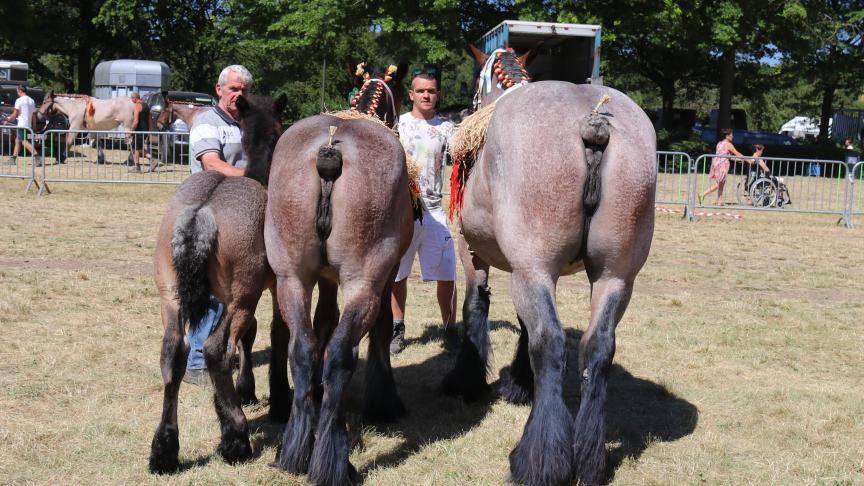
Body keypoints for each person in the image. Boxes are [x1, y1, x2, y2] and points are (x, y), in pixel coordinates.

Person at [183, 64, 252, 385]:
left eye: (244, 90)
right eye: (234, 89)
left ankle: (224, 349)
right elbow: (211, 163)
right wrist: (256, 177)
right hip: (210, 209)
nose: (239, 95)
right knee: (212, 289)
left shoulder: (250, 122)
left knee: (239, 289)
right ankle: (197, 361)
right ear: (219, 89)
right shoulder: (207, 121)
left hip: (245, 212)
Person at [389, 71, 457, 354]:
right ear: (411, 94)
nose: (427, 95)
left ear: (437, 94)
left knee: (447, 274)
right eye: (421, 91)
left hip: (433, 211)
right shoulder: (397, 125)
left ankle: (451, 328)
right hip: (403, 211)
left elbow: (463, 158)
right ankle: (396, 328)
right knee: (398, 275)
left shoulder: (447, 128)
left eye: (431, 90)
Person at [700, 128, 744, 205]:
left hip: (716, 164)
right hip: (722, 165)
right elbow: (737, 153)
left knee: (722, 183)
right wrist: (747, 159)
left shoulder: (719, 143)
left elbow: (726, 156)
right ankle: (702, 194)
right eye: (731, 135)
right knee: (719, 184)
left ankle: (719, 201)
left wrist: (738, 160)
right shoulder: (729, 144)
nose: (732, 136)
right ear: (727, 136)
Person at [3, 85, 41, 167]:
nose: (17, 92)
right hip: (28, 125)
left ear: (20, 90)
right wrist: (34, 126)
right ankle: (13, 159)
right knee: (18, 141)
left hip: (21, 124)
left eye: (17, 91)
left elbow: (15, 114)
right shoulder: (31, 100)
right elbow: (34, 115)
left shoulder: (19, 100)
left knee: (23, 141)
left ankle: (37, 156)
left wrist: (7, 119)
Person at [128, 92, 153, 172]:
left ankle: (138, 166)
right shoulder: (146, 106)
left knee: (136, 148)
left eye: (132, 99)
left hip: (139, 131)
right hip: (145, 130)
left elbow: (135, 121)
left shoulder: (137, 106)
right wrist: (149, 131)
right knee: (137, 147)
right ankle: (150, 160)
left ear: (134, 98)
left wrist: (131, 131)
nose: (132, 101)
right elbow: (150, 120)